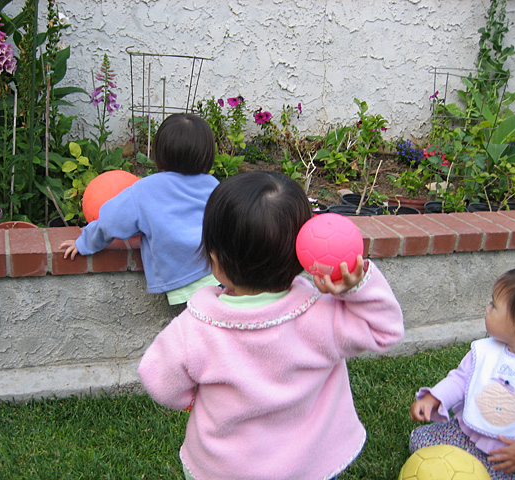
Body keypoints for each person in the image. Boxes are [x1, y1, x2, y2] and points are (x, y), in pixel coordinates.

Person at [137, 171, 405, 480]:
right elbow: (386, 329)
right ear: (302, 254)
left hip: (226, 469)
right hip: (310, 464)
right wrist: (355, 288)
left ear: (216, 261)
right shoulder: (322, 314)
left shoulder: (195, 328)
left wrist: (190, 398)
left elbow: (158, 379)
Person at [59, 113, 220, 305]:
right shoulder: (213, 185)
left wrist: (84, 243)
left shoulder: (144, 190)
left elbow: (111, 221)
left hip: (184, 280)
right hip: (221, 272)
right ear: (208, 154)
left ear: (159, 154)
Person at [409, 266, 515, 479]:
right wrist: (434, 398)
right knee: (420, 441)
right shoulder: (484, 351)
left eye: (494, 305)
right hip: (466, 434)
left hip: (505, 456)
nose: (487, 309)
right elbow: (461, 379)